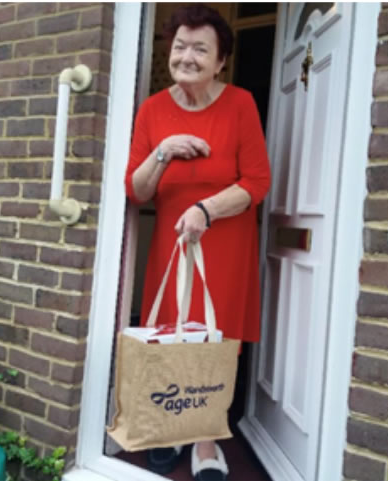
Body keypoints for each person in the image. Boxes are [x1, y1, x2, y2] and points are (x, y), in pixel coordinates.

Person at [124, 4, 271, 481]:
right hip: (173, 245)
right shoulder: (152, 111)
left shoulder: (241, 104)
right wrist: (164, 151)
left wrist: (206, 209)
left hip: (224, 244)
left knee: (215, 336)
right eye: (180, 46)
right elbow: (137, 189)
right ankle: (168, 428)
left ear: (220, 60)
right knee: (169, 332)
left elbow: (257, 182)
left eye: (200, 49)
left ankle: (205, 439)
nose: (187, 56)